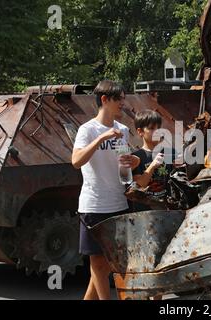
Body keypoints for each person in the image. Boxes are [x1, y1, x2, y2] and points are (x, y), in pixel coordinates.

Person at [71, 80, 140, 300]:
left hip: (118, 203)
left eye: (123, 98)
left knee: (112, 265)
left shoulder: (123, 130)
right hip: (94, 205)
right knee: (99, 266)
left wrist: (133, 160)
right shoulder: (88, 130)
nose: (123, 102)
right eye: (119, 98)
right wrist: (101, 138)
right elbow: (76, 161)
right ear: (104, 100)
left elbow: (124, 167)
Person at [131, 110, 175, 212]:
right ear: (140, 131)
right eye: (151, 128)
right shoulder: (136, 157)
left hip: (169, 210)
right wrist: (152, 166)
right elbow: (137, 188)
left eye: (158, 128)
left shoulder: (170, 152)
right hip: (146, 213)